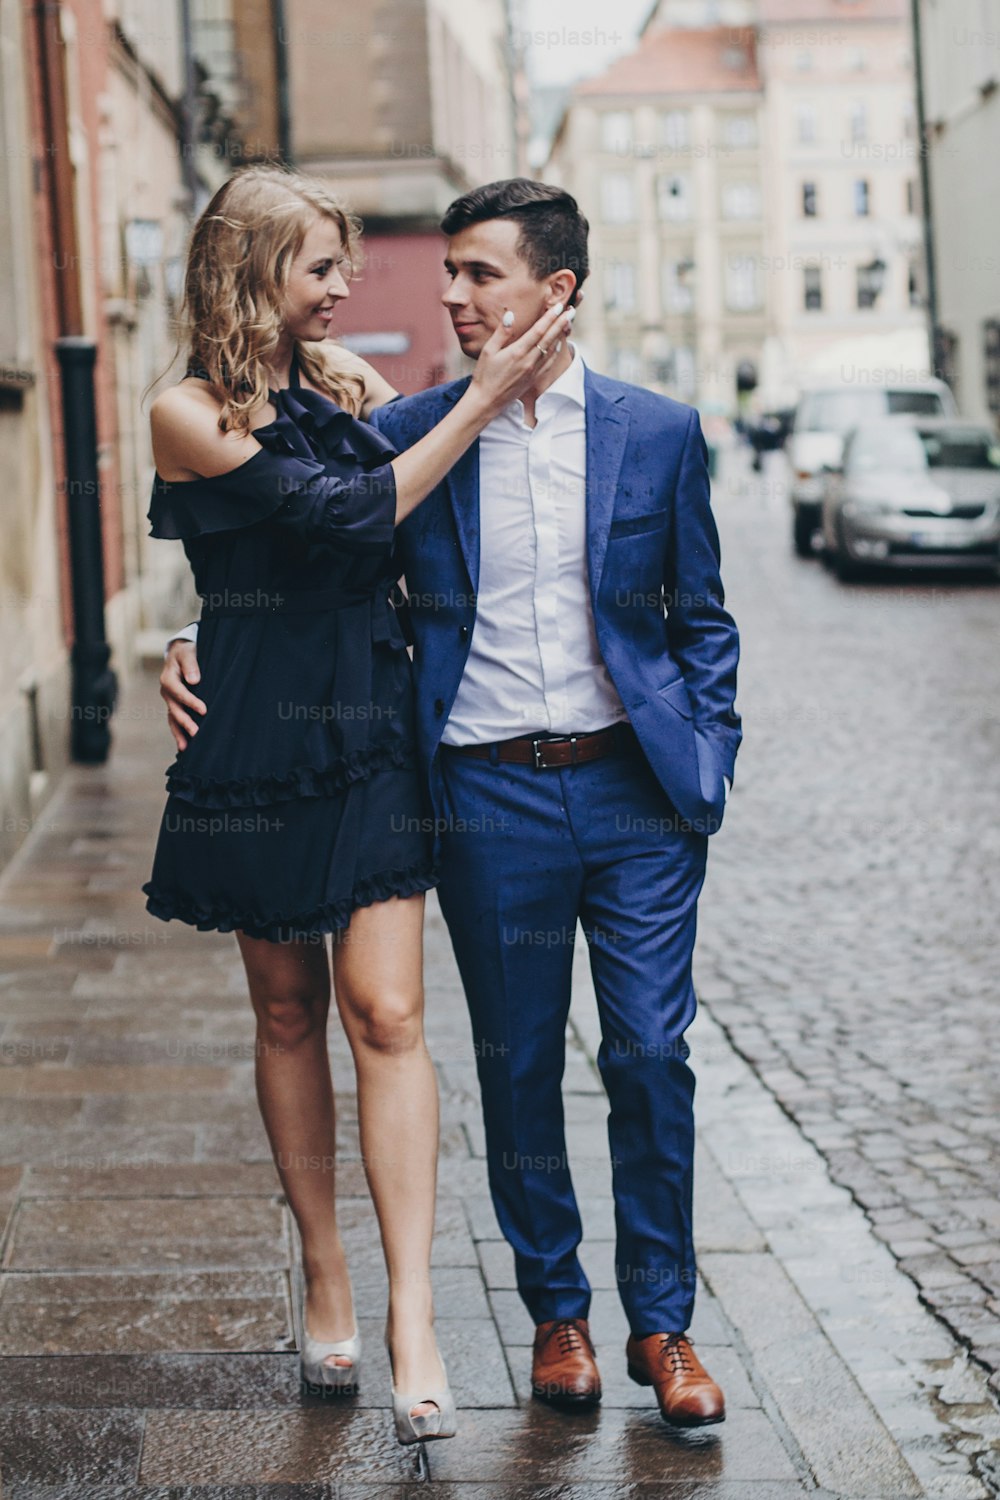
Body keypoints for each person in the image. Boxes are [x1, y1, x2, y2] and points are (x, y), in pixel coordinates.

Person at [163, 178, 741, 1430]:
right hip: (482, 794)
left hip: (637, 797)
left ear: (555, 289)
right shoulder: (410, 425)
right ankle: (558, 1319)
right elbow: (306, 546)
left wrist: (709, 758)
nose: (449, 295)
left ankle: (664, 1322)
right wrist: (202, 640)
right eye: (451, 276)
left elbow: (701, 617)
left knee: (648, 1052)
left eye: (478, 274)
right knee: (515, 1064)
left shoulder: (658, 432)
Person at [142, 164, 572, 1446]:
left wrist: (510, 368)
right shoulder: (184, 409)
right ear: (248, 272)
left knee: (385, 1010)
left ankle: (414, 1316)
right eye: (321, 266)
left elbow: (422, 518)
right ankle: (324, 1271)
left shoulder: (351, 389)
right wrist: (191, 635)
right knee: (286, 1011)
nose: (346, 287)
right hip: (259, 737)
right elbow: (342, 513)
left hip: (371, 721)